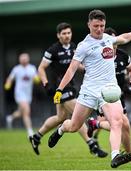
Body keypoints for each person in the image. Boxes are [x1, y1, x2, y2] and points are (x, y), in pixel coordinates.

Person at [48, 10, 131, 168]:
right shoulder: (83, 46)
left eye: (102, 26)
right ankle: (61, 130)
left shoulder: (109, 39)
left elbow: (124, 37)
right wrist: (59, 90)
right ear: (89, 25)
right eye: (96, 26)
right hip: (89, 91)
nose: (99, 29)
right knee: (74, 126)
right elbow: (71, 69)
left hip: (109, 90)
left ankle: (115, 156)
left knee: (117, 122)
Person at [29, 22, 108, 157]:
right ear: (58, 35)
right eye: (64, 33)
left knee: (61, 118)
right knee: (78, 116)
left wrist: (89, 69)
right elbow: (41, 68)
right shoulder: (53, 50)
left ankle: (36, 136)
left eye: (69, 33)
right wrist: (46, 84)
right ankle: (92, 145)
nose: (67, 36)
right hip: (60, 88)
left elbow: (76, 66)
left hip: (70, 86)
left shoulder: (73, 47)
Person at [87, 27, 131, 158]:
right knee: (121, 124)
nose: (114, 44)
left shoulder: (122, 55)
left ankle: (95, 124)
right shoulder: (99, 56)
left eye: (115, 41)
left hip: (118, 96)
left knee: (122, 125)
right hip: (103, 96)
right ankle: (127, 154)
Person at [4, 53, 40, 137]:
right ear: (19, 60)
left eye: (25, 58)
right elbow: (10, 78)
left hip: (28, 94)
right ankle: (30, 132)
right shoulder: (16, 69)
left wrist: (37, 79)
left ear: (28, 59)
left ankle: (10, 118)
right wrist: (8, 83)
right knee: (26, 111)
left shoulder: (32, 68)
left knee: (21, 112)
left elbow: (37, 78)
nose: (24, 60)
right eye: (22, 58)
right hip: (19, 94)